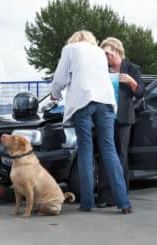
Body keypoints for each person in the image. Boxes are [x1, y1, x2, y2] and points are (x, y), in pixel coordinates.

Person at [51, 30, 132, 214]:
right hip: (106, 102)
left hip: (84, 102)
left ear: (74, 40)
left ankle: (87, 202)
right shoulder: (98, 52)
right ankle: (124, 202)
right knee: (109, 150)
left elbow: (60, 78)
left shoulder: (70, 49)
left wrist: (55, 94)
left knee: (86, 151)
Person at [96, 37, 144, 207]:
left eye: (107, 54)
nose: (105, 57)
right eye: (103, 54)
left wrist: (132, 82)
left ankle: (120, 196)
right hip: (106, 117)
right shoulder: (102, 70)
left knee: (121, 157)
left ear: (117, 51)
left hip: (123, 119)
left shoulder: (132, 68)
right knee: (104, 156)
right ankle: (103, 196)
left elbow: (140, 93)